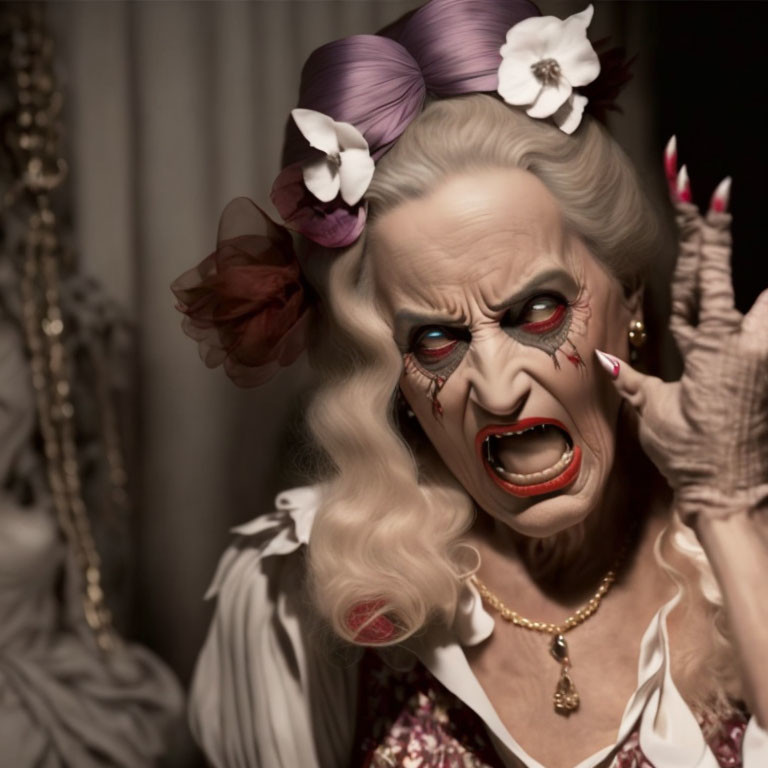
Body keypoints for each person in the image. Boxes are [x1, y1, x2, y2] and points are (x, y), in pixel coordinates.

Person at [173, 1, 768, 766]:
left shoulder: (744, 545)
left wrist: (723, 511)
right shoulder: (300, 598)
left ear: (629, 302)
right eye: (435, 338)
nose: (494, 388)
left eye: (539, 310)